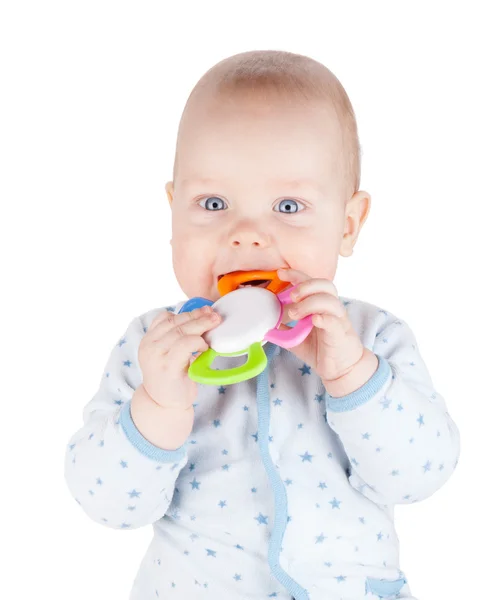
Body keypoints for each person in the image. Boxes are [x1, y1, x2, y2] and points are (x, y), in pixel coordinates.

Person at [64, 50, 460, 600]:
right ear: (173, 214)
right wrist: (159, 406)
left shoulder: (371, 336)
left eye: (289, 206)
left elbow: (421, 476)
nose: (247, 234)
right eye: (214, 202)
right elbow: (106, 506)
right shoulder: (153, 349)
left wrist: (354, 376)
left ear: (348, 225)